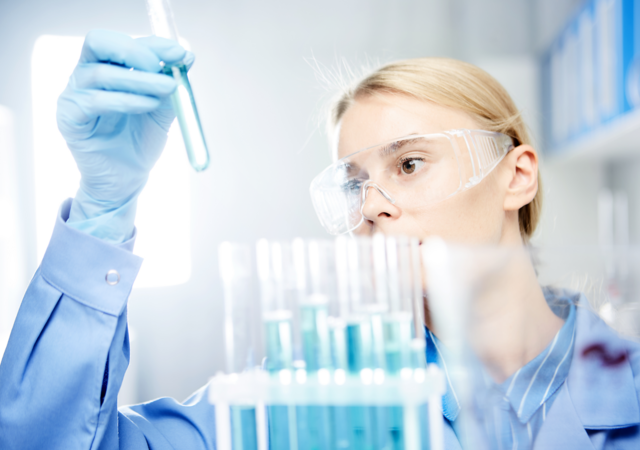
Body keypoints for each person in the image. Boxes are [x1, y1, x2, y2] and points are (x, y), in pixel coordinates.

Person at [0, 29, 638, 450]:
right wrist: (101, 211)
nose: (373, 208)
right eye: (353, 184)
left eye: (409, 165)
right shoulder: (302, 401)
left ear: (516, 176)